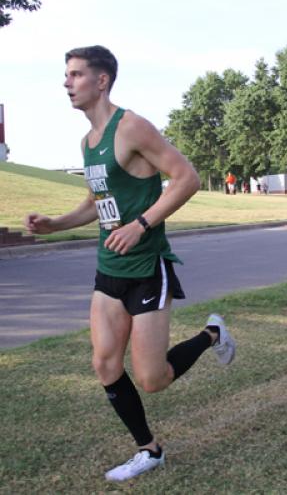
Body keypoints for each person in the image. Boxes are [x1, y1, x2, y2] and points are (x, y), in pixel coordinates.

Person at [24, 45, 236, 482]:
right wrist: (56, 224)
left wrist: (142, 223)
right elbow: (96, 203)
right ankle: (149, 449)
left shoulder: (133, 127)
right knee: (104, 365)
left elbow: (187, 178)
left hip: (145, 268)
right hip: (109, 270)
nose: (67, 83)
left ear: (101, 81)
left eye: (76, 74)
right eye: (67, 75)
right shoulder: (88, 142)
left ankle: (212, 334)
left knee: (153, 378)